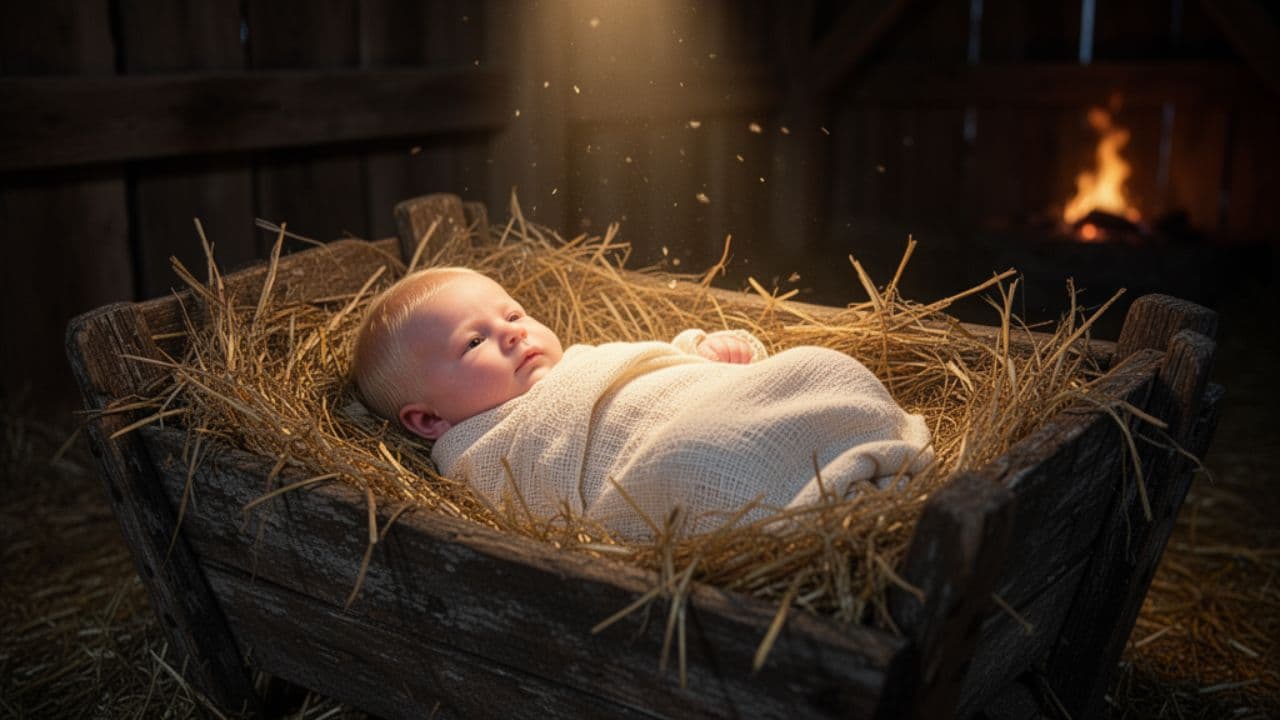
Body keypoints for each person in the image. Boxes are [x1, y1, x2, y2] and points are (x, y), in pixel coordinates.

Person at [353, 267, 934, 541]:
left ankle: (853, 443)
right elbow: (551, 511)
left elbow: (655, 368)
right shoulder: (480, 453)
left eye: (512, 315)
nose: (512, 334)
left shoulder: (582, 358)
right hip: (670, 453)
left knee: (817, 364)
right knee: (696, 457)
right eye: (474, 341)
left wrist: (708, 351)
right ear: (428, 420)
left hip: (704, 400)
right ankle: (816, 494)